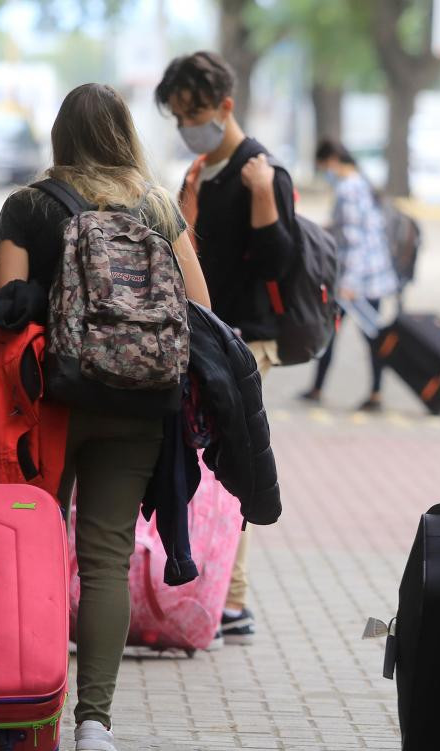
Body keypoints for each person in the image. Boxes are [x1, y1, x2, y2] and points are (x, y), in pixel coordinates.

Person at [0, 83, 210, 751]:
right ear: (123, 134)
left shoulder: (27, 206)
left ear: (61, 136)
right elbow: (201, 310)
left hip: (48, 407)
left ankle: (26, 720)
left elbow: (1, 319)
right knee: (107, 559)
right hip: (138, 403)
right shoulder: (156, 204)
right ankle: (93, 734)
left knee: (33, 554)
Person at [155, 50, 300, 645]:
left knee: (232, 468)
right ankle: (215, 594)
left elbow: (279, 266)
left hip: (244, 345)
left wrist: (264, 198)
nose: (188, 124)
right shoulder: (200, 172)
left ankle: (232, 601)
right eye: (179, 115)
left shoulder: (259, 170)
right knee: (204, 469)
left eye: (195, 112)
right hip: (207, 339)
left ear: (225, 106)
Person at [299, 139, 399, 412]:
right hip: (372, 276)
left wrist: (348, 284)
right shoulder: (361, 182)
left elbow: (355, 240)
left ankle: (319, 389)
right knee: (370, 336)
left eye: (322, 167)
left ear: (331, 160)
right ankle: (374, 393)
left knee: (331, 332)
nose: (324, 173)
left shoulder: (348, 189)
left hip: (355, 281)